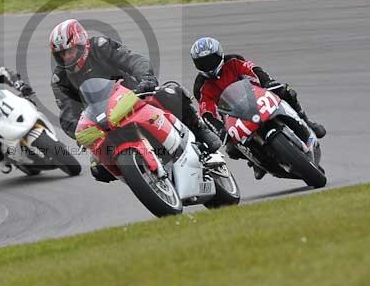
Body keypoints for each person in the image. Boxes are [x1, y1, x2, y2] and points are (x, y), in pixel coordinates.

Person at [49, 19, 222, 182]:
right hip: (103, 122)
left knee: (170, 92)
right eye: (61, 54)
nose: (67, 57)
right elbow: (68, 114)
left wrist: (146, 78)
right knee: (98, 169)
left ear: (82, 44)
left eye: (70, 51)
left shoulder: (100, 46)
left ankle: (200, 130)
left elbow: (132, 60)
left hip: (133, 98)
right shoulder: (60, 78)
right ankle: (144, 178)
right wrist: (80, 135)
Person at [190, 37, 327, 180]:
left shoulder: (234, 61)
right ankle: (255, 162)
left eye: (210, 59)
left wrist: (268, 83)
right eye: (202, 62)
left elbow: (254, 71)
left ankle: (307, 121)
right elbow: (207, 113)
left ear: (220, 54)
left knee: (287, 92)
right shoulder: (201, 86)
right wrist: (220, 130)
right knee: (231, 149)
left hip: (255, 97)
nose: (208, 65)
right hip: (233, 115)